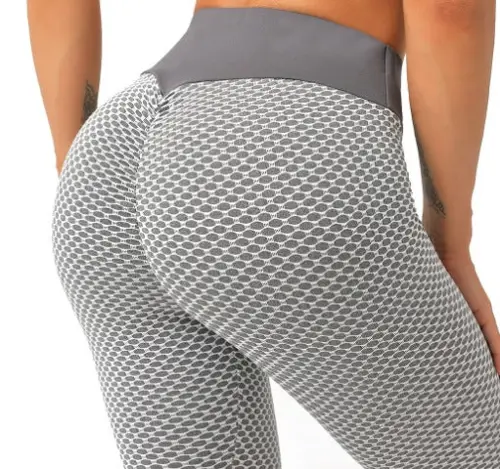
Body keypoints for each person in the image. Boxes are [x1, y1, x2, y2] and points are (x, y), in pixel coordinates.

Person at [28, 0, 500, 467]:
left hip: (111, 161)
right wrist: (449, 240)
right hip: (276, 144)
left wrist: (77, 166)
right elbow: (450, 11)